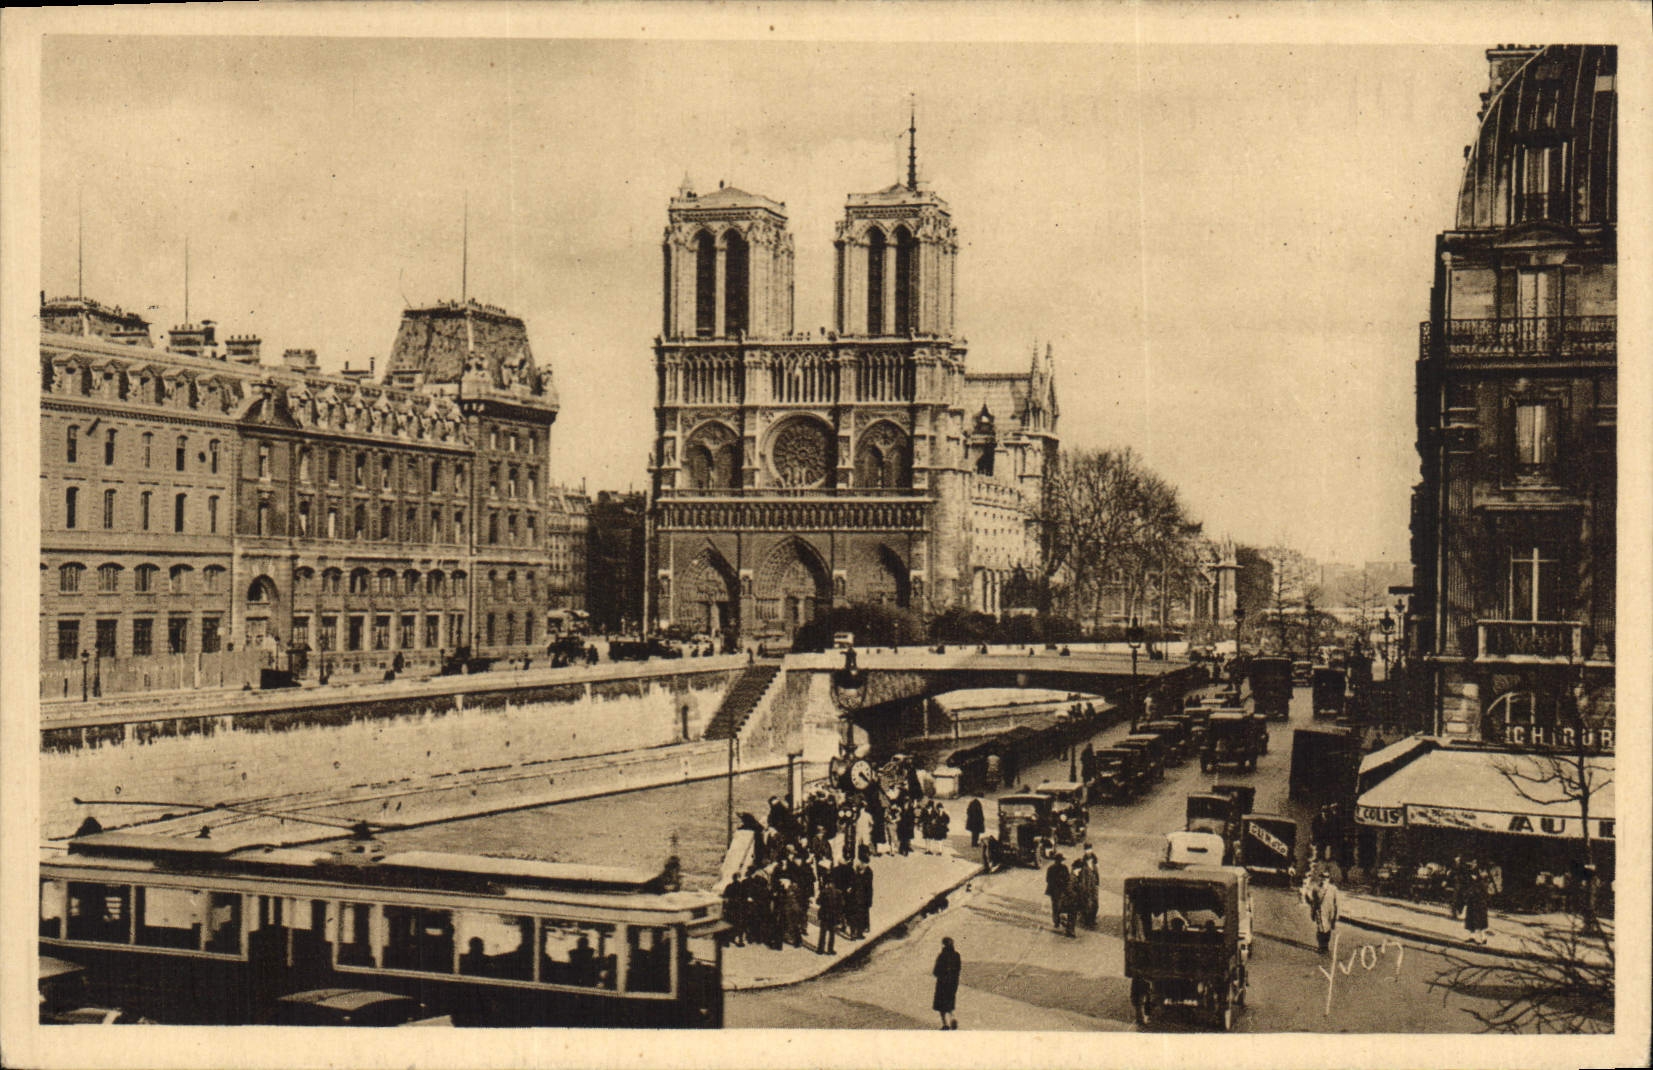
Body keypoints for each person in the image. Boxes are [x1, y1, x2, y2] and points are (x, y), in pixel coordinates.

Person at [932, 937, 962, 1030]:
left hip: (942, 984)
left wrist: (941, 976)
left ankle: (945, 1024)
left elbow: (935, 971)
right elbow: (958, 969)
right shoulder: (956, 955)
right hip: (953, 983)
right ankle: (952, 1017)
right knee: (949, 1003)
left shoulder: (942, 956)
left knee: (941, 1006)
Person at [1463, 866, 1490, 945]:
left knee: (1480, 922)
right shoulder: (1478, 881)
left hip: (1479, 904)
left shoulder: (1483, 881)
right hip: (1473, 903)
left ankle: (1484, 938)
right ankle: (1472, 937)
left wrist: (1472, 889)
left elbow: (1481, 892)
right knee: (1472, 921)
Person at [1045, 853, 1071, 932]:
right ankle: (1058, 921)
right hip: (1057, 890)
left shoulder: (1052, 868)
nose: (1059, 862)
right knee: (1058, 905)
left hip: (1057, 890)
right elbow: (1067, 878)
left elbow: (1047, 879)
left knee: (1056, 906)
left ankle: (1057, 921)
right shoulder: (1062, 868)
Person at [816, 880, 841, 956]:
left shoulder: (824, 892)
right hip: (833, 915)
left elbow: (818, 902)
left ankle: (820, 949)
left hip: (824, 915)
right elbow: (841, 904)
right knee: (832, 933)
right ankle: (830, 950)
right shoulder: (838, 892)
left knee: (823, 933)